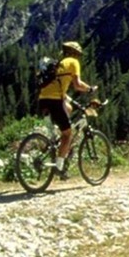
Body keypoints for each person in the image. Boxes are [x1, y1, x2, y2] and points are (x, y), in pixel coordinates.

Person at [36, 41, 96, 177]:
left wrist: (71, 101)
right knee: (68, 134)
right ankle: (59, 166)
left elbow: (58, 89)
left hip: (42, 100)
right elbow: (77, 85)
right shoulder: (73, 63)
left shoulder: (58, 65)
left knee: (68, 108)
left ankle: (54, 141)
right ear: (76, 54)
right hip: (55, 101)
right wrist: (90, 89)